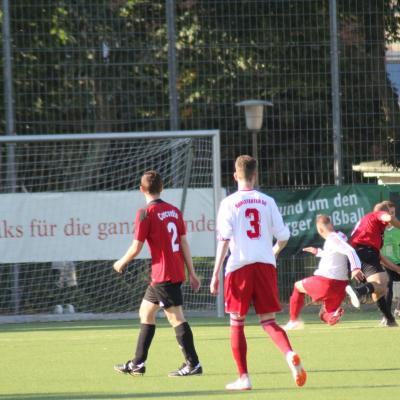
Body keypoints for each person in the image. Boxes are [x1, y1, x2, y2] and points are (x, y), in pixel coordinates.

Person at [210, 155, 306, 391]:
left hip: (239, 267)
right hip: (264, 265)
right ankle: (289, 353)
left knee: (237, 323)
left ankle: (244, 377)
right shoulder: (267, 201)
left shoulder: (229, 203)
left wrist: (215, 273)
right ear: (255, 175)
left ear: (235, 175)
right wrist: (272, 251)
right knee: (269, 321)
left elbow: (223, 240)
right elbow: (284, 236)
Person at [113, 170, 203, 377]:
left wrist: (121, 262)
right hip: (167, 274)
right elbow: (183, 243)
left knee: (176, 319)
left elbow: (136, 247)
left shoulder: (145, 213)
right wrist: (192, 272)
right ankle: (137, 363)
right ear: (162, 188)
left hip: (164, 275)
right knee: (146, 312)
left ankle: (193, 364)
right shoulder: (174, 211)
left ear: (141, 189)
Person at [283, 215, 364, 331]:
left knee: (297, 286)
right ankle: (334, 315)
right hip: (340, 286)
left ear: (319, 229)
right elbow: (334, 254)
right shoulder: (339, 237)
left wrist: (356, 268)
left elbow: (350, 251)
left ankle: (293, 320)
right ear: (331, 224)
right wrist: (318, 252)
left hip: (326, 281)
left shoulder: (333, 238)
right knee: (324, 314)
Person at [348, 200, 400, 327]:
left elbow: (379, 256)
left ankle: (390, 320)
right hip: (364, 250)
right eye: (391, 214)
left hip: (356, 254)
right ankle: (357, 292)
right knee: (383, 283)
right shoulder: (377, 215)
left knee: (379, 289)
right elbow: (386, 217)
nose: (391, 218)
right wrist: (391, 218)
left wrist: (396, 268)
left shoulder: (371, 226)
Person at [377, 204, 400, 326]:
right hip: (385, 263)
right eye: (389, 213)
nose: (391, 216)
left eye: (393, 213)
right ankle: (387, 316)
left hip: (398, 262)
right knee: (388, 286)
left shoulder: (398, 229)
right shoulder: (379, 230)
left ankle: (398, 309)